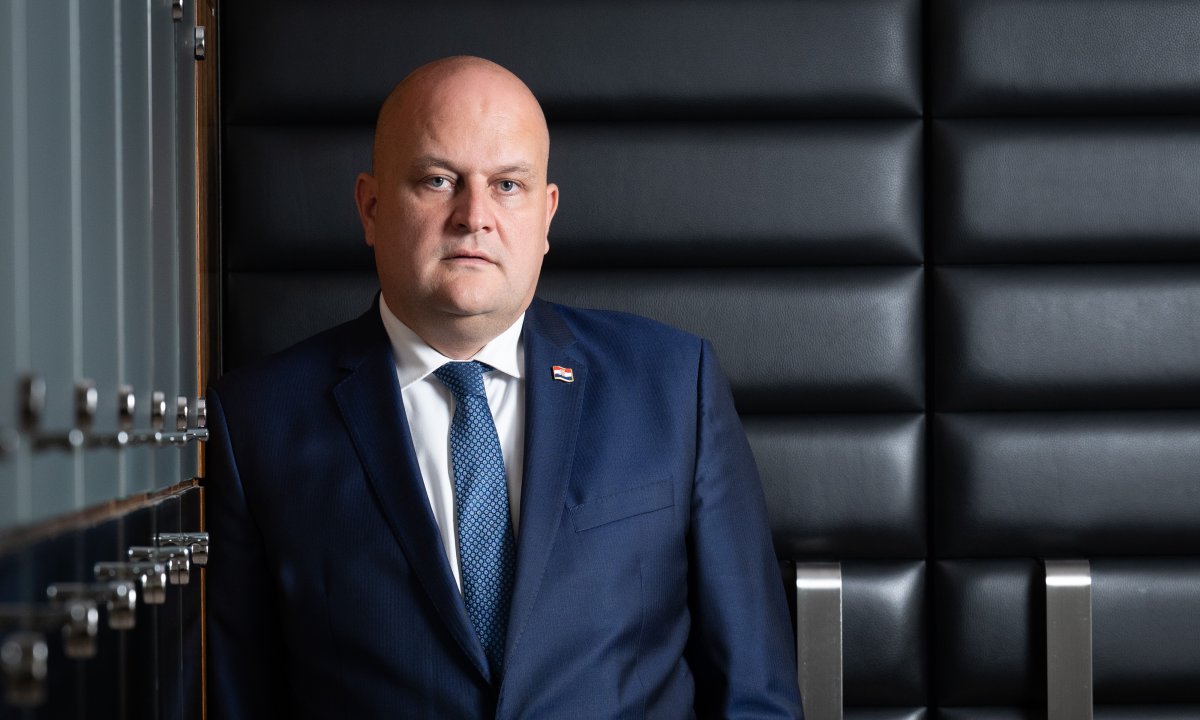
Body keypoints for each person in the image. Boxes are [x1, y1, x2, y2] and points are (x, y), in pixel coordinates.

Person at [206, 56, 802, 719]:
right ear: (371, 208)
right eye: (438, 180)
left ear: (546, 215)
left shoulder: (673, 385)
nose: (474, 216)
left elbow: (755, 694)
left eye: (508, 185)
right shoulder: (255, 422)